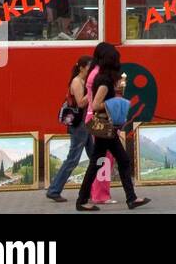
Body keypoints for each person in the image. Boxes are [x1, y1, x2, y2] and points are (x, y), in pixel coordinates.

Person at [76, 42, 149, 211]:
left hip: (105, 128)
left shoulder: (102, 77)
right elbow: (95, 105)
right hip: (104, 127)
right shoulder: (104, 81)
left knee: (115, 160)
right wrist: (115, 102)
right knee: (109, 161)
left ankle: (130, 198)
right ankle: (83, 200)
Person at [46, 55, 92, 203]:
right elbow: (80, 103)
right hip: (80, 126)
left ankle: (93, 190)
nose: (91, 69)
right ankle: (54, 190)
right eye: (89, 66)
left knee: (95, 156)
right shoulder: (77, 82)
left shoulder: (85, 81)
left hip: (87, 124)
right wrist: (92, 92)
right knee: (73, 159)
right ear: (82, 67)